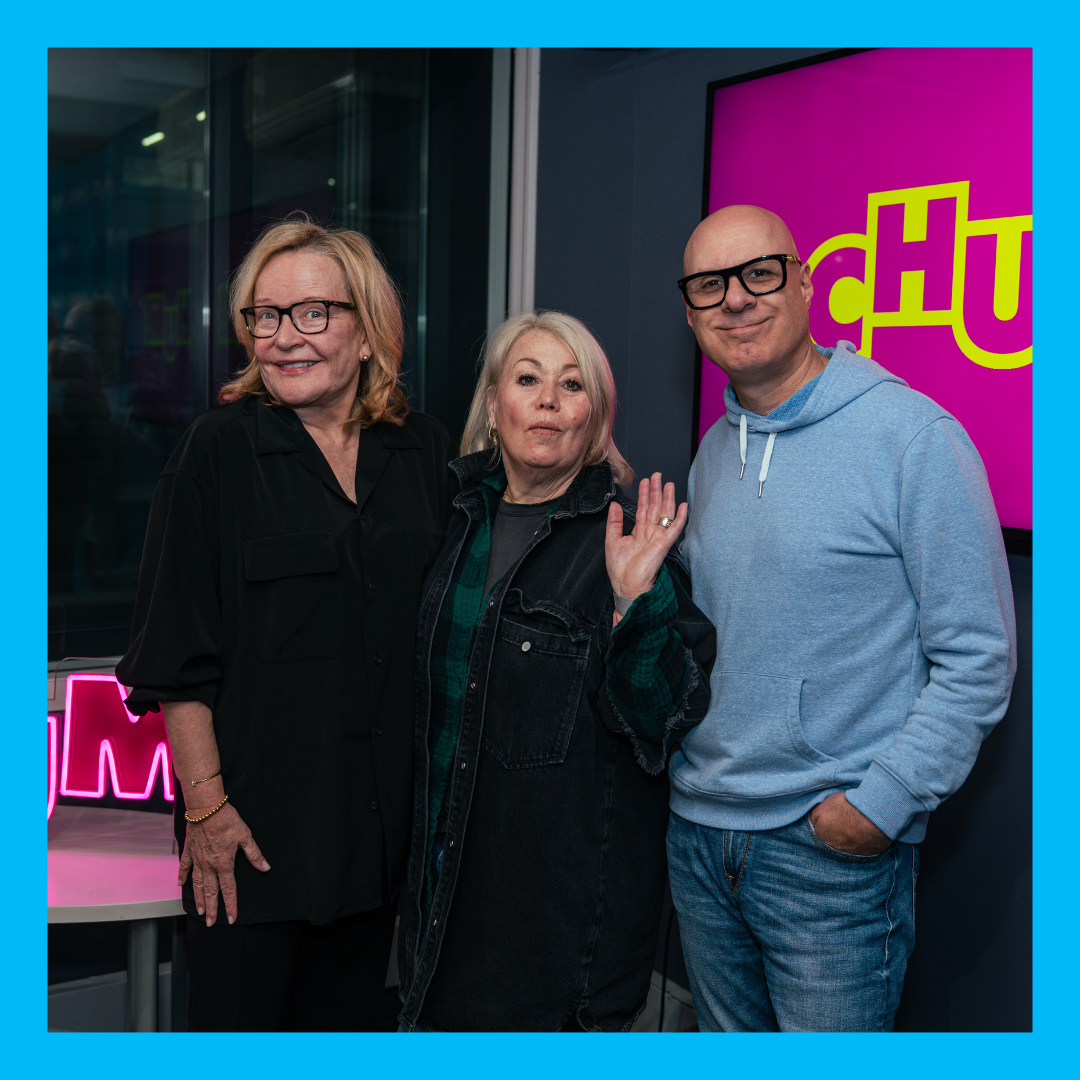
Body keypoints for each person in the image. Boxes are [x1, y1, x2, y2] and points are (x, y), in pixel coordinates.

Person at [667, 204, 1017, 1033]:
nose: (736, 299)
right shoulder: (715, 448)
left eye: (759, 274)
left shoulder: (912, 437)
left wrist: (881, 805)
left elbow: (979, 656)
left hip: (823, 856)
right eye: (710, 285)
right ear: (690, 314)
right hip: (699, 836)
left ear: (805, 283)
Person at [115, 219, 453, 1031]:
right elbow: (176, 660)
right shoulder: (216, 452)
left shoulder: (422, 450)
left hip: (380, 849)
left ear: (367, 332)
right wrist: (206, 813)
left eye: (311, 313)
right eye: (265, 316)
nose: (282, 337)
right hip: (250, 845)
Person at [395, 311, 716, 1032]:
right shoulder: (455, 524)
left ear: (593, 419)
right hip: (437, 912)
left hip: (554, 946)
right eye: (528, 379)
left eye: (572, 386)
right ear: (494, 405)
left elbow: (658, 721)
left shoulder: (627, 544)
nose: (547, 399)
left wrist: (634, 603)